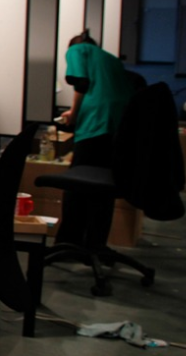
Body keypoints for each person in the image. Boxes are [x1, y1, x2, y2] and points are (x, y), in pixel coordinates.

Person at [55, 32, 133, 250]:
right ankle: (96, 244)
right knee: (103, 187)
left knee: (76, 184)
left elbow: (81, 83)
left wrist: (73, 113)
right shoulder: (111, 60)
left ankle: (68, 243)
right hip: (119, 127)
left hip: (96, 122)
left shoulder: (78, 49)